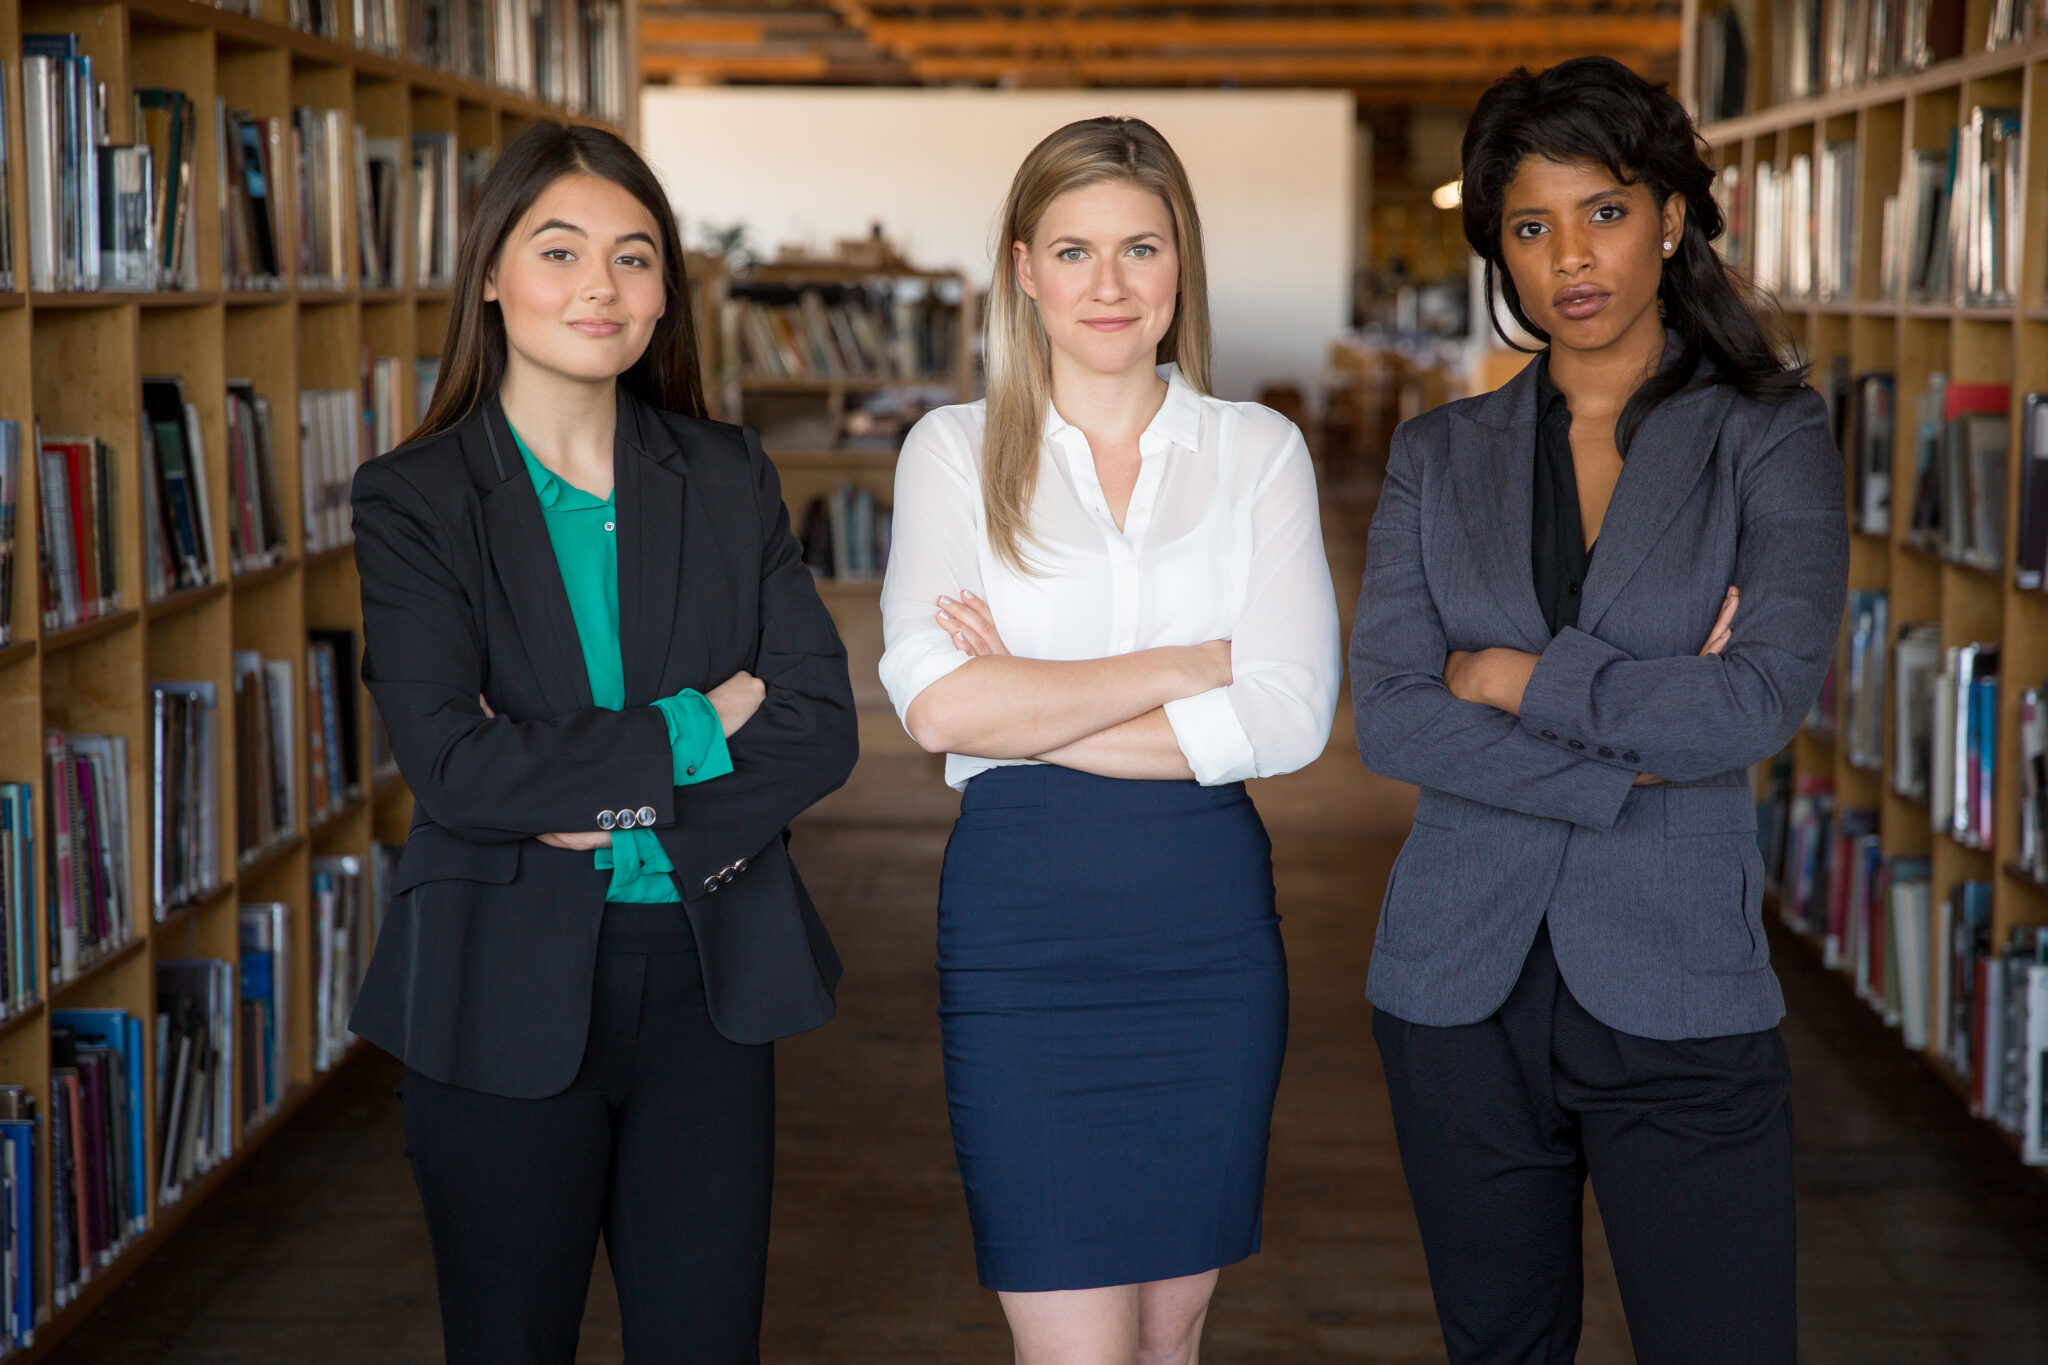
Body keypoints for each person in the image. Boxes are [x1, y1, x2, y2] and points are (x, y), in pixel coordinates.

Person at [1351, 56, 1846, 1365]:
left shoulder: (1770, 436)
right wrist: (1626, 760)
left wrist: (1516, 678)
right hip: (1456, 988)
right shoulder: (1434, 456)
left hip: (1680, 984)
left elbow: (1755, 698)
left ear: (1673, 216)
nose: (1571, 255)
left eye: (1606, 211)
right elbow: (1393, 718)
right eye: (1530, 227)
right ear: (1501, 256)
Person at [347, 121, 857, 1364]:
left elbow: (819, 725)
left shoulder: (728, 475)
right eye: (559, 249)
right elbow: (458, 771)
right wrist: (694, 723)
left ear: (664, 292)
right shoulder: (414, 500)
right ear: (490, 273)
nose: (598, 286)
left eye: (634, 258)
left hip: (707, 981)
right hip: (498, 984)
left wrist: (592, 785)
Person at [878, 116, 1341, 1365]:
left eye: (1140, 247)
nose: (1109, 284)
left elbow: (1290, 715)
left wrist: (1023, 703)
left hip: (1205, 937)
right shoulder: (950, 452)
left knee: (1170, 1336)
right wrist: (1189, 670)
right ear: (1022, 267)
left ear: (1179, 262)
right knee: (1073, 1348)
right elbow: (933, 703)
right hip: (1023, 940)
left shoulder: (1257, 455)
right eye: (1074, 252)